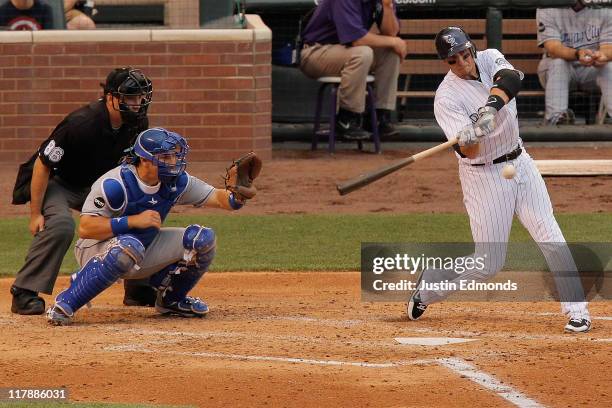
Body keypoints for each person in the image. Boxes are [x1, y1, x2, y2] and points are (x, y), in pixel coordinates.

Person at [406, 27, 592, 333]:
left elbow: (513, 79)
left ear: (472, 49)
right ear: (446, 63)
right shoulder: (446, 98)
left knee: (549, 231)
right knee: (489, 264)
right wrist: (469, 136)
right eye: (454, 60)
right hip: (484, 175)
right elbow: (471, 151)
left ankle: (577, 310)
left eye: (465, 54)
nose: (463, 63)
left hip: (520, 160)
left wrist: (490, 110)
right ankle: (430, 286)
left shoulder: (491, 58)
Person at [46, 128, 260, 325]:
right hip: (95, 249)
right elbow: (86, 228)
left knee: (202, 239)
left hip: (142, 248)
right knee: (129, 246)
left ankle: (171, 300)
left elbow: (219, 198)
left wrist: (238, 194)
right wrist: (132, 221)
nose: (174, 161)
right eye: (166, 157)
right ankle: (66, 303)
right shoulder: (114, 184)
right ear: (144, 160)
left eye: (176, 155)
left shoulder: (176, 181)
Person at [10, 67, 153, 315]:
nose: (137, 103)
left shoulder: (138, 123)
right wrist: (35, 214)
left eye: (140, 97)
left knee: (140, 214)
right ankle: (24, 292)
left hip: (97, 186)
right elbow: (43, 165)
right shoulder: (81, 124)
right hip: (61, 183)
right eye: (130, 97)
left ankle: (138, 289)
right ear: (110, 97)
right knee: (61, 225)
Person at [299, 0, 406, 139]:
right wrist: (394, 41)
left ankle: (378, 118)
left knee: (390, 52)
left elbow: (391, 33)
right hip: (315, 53)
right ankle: (346, 120)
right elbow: (357, 40)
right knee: (362, 53)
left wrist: (387, 6)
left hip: (346, 51)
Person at [536, 0, 612, 125]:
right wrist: (577, 54)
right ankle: (557, 119)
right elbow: (553, 48)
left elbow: (608, 46)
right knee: (558, 62)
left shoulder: (604, 5)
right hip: (556, 72)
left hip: (591, 69)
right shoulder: (548, 5)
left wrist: (602, 55)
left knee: (608, 65)